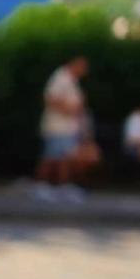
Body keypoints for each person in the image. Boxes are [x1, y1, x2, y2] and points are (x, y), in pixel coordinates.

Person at [35, 56, 97, 199]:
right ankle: (41, 186)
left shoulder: (71, 80)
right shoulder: (60, 78)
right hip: (57, 126)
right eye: (83, 67)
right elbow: (50, 98)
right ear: (74, 64)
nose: (84, 71)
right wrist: (69, 110)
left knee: (65, 158)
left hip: (68, 128)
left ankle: (63, 186)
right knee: (51, 157)